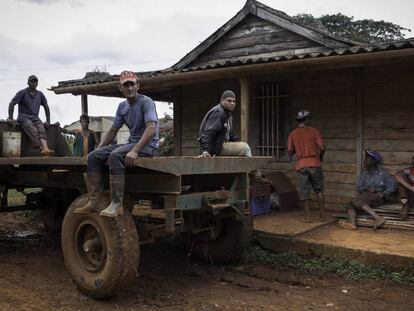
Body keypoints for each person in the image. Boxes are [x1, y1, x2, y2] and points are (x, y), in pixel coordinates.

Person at [74, 70, 159, 217]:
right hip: (131, 143)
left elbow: (151, 128)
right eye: (126, 85)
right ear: (121, 88)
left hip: (147, 145)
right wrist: (97, 150)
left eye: (132, 84)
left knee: (116, 154)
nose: (130, 88)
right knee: (93, 157)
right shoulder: (122, 107)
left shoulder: (146, 102)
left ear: (138, 85)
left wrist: (135, 150)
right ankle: (94, 201)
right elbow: (113, 130)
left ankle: (117, 204)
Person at [339, 151, 397, 230]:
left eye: (367, 158)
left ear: (374, 161)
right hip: (366, 197)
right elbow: (359, 187)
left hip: (377, 198)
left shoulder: (383, 174)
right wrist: (366, 188)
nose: (365, 160)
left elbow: (393, 185)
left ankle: (377, 218)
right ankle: (352, 225)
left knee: (354, 200)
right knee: (350, 204)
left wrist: (384, 193)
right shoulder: (364, 174)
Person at [288, 110, 326, 222]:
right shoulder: (315, 131)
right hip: (314, 163)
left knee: (305, 192)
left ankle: (307, 217)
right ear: (307, 119)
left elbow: (290, 151)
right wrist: (321, 157)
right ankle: (322, 216)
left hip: (301, 165)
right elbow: (323, 148)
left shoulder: (292, 134)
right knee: (319, 190)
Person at [7, 75, 55, 156]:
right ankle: (42, 149)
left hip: (35, 118)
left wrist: (48, 121)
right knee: (32, 129)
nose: (34, 83)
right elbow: (12, 103)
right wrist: (11, 118)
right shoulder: (22, 93)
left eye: (35, 81)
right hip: (24, 117)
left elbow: (46, 107)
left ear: (37, 83)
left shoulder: (40, 94)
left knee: (41, 128)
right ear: (28, 83)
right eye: (32, 81)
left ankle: (46, 148)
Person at [198, 90, 251, 157]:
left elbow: (230, 134)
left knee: (242, 145)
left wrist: (237, 142)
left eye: (234, 101)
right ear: (222, 100)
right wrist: (206, 150)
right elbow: (208, 132)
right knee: (245, 148)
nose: (232, 103)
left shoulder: (227, 114)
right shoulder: (218, 112)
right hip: (214, 148)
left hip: (220, 145)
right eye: (229, 101)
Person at [394, 153, 414, 217]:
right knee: (401, 180)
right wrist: (411, 187)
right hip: (410, 196)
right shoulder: (410, 170)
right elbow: (397, 176)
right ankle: (405, 205)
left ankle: (406, 206)